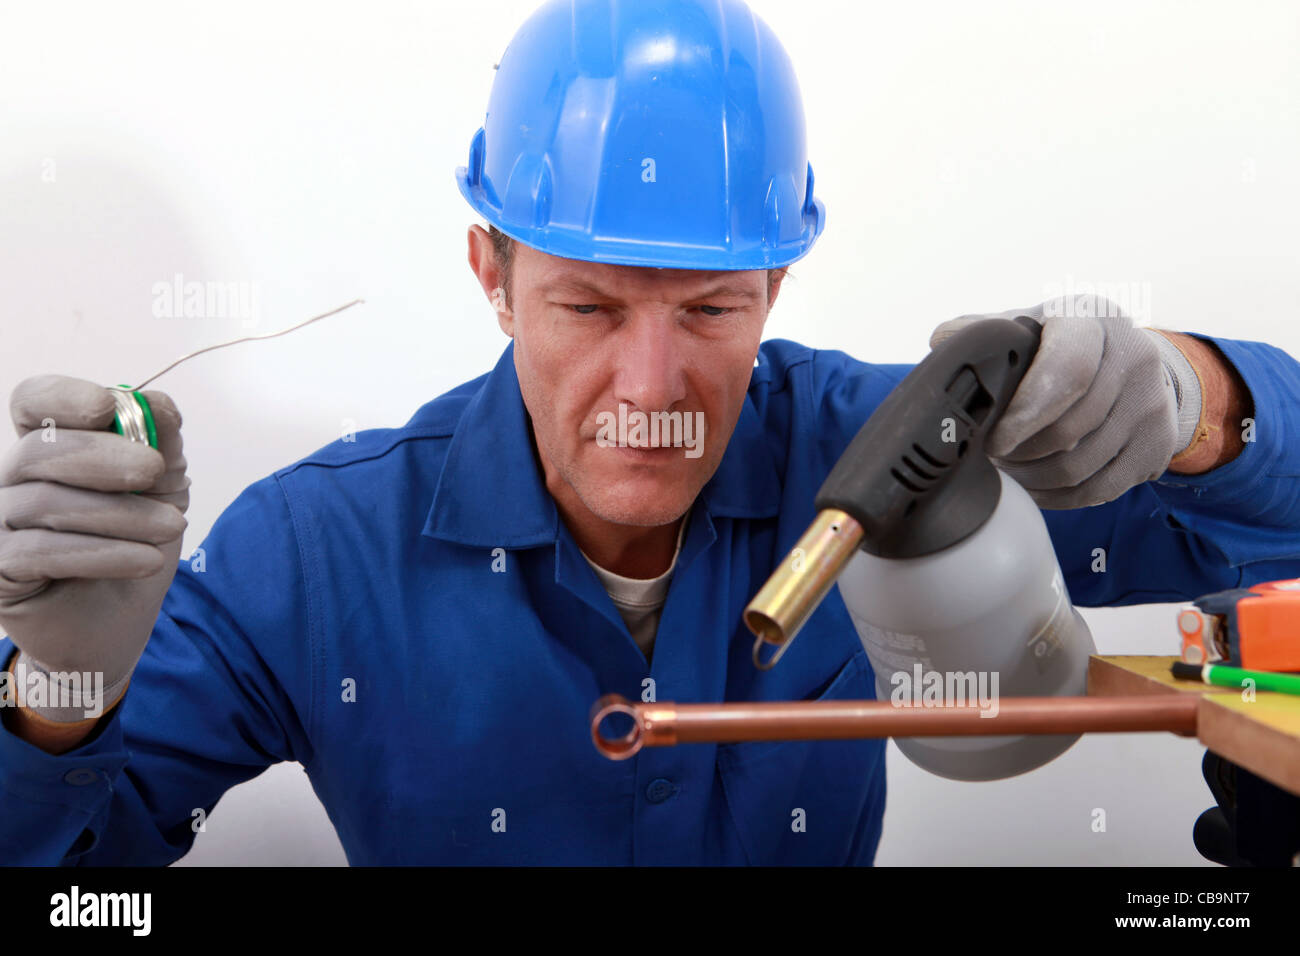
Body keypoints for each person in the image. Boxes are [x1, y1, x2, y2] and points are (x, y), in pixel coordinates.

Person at [2, 0, 1299, 866]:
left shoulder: (892, 459)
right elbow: (80, 893)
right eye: (585, 303)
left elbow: (1263, 529)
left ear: (776, 290)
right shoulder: (312, 553)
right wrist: (54, 702)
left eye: (711, 307)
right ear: (490, 274)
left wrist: (1196, 404)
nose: (651, 381)